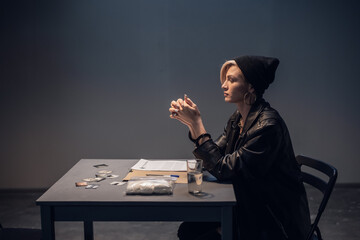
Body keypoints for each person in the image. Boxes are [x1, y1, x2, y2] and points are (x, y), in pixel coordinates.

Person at [169, 55, 311, 240]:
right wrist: (191, 124)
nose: (224, 85)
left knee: (193, 234)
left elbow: (225, 169)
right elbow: (218, 156)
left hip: (272, 220)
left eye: (232, 80)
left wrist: (197, 124)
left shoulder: (268, 125)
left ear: (251, 86)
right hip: (250, 205)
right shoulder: (238, 118)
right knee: (188, 230)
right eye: (225, 79)